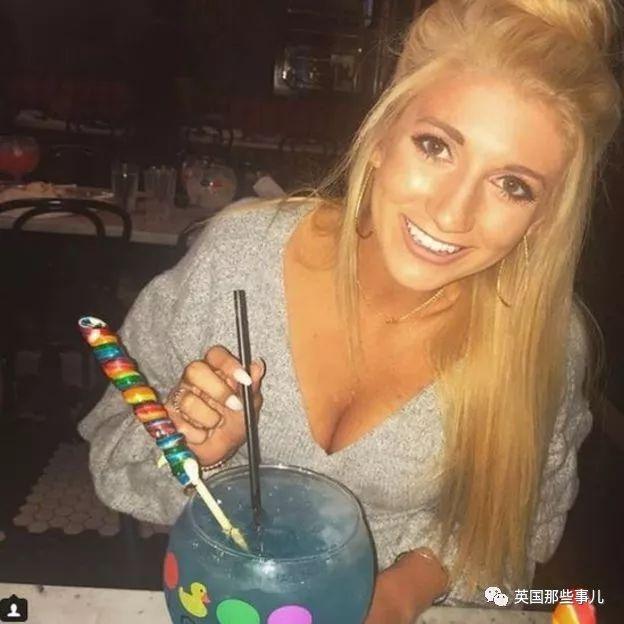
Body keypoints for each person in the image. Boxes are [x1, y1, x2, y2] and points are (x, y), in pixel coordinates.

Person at [78, 0, 622, 621]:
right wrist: (192, 448)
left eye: (513, 185)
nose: (452, 213)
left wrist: (407, 588)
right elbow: (112, 456)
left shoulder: (545, 341)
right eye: (435, 146)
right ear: (383, 134)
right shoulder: (239, 256)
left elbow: (522, 536)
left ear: (543, 218)